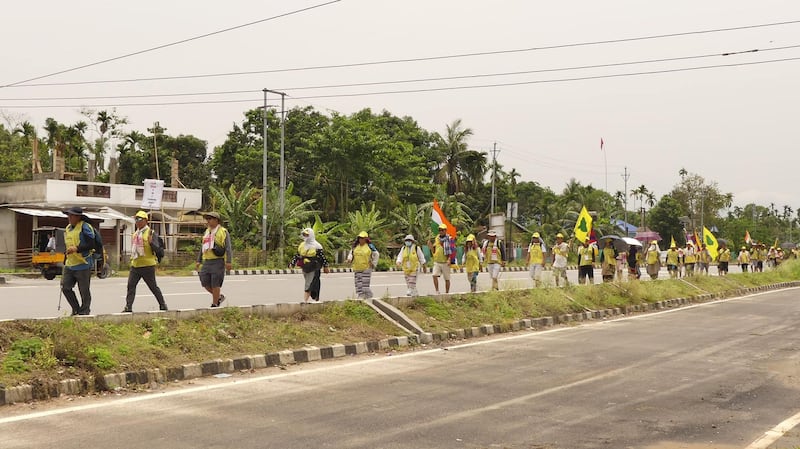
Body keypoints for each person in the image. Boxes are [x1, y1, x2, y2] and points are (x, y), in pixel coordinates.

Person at [123, 211, 168, 312]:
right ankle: (128, 307)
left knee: (153, 287)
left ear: (146, 221)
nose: (137, 222)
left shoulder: (151, 233)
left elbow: (160, 251)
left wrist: (151, 243)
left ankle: (163, 305)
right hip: (135, 265)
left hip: (147, 266)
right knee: (131, 286)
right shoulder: (135, 234)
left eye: (140, 219)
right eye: (136, 219)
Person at [61, 207, 96, 315]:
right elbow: (68, 244)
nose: (69, 218)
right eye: (69, 215)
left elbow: (92, 244)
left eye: (72, 216)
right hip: (70, 264)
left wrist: (77, 249)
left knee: (84, 290)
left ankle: (85, 311)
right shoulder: (68, 228)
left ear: (78, 217)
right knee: (65, 287)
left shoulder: (85, 227)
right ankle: (76, 309)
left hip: (83, 264)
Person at [195, 211, 232, 308]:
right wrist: (198, 260)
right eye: (207, 219)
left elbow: (228, 247)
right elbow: (203, 246)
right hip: (207, 261)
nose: (208, 221)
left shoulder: (223, 232)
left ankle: (215, 303)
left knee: (215, 283)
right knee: (204, 281)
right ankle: (219, 296)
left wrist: (229, 261)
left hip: (218, 261)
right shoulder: (207, 232)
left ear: (216, 220)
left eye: (210, 219)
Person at [290, 228, 329, 303]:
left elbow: (322, 257)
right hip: (305, 267)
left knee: (310, 283)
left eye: (307, 235)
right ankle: (314, 298)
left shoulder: (317, 246)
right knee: (310, 283)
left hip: (315, 267)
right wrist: (292, 263)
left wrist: (326, 266)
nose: (305, 236)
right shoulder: (302, 245)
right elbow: (297, 255)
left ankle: (305, 300)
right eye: (304, 235)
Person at [346, 231, 380, 299]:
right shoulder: (355, 246)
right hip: (357, 267)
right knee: (358, 284)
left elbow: (376, 254)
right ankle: (362, 295)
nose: (361, 240)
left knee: (365, 284)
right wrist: (349, 259)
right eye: (360, 238)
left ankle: (365, 295)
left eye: (362, 238)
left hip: (366, 268)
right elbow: (351, 253)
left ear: (366, 239)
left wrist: (373, 263)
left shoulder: (370, 246)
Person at [429, 224, 455, 294]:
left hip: (445, 261)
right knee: (434, 275)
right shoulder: (437, 238)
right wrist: (430, 246)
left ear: (445, 231)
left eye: (442, 230)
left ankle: (447, 292)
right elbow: (434, 250)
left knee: (447, 279)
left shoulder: (449, 239)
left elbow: (451, 250)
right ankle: (437, 290)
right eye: (439, 230)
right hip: (437, 261)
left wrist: (449, 259)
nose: (441, 231)